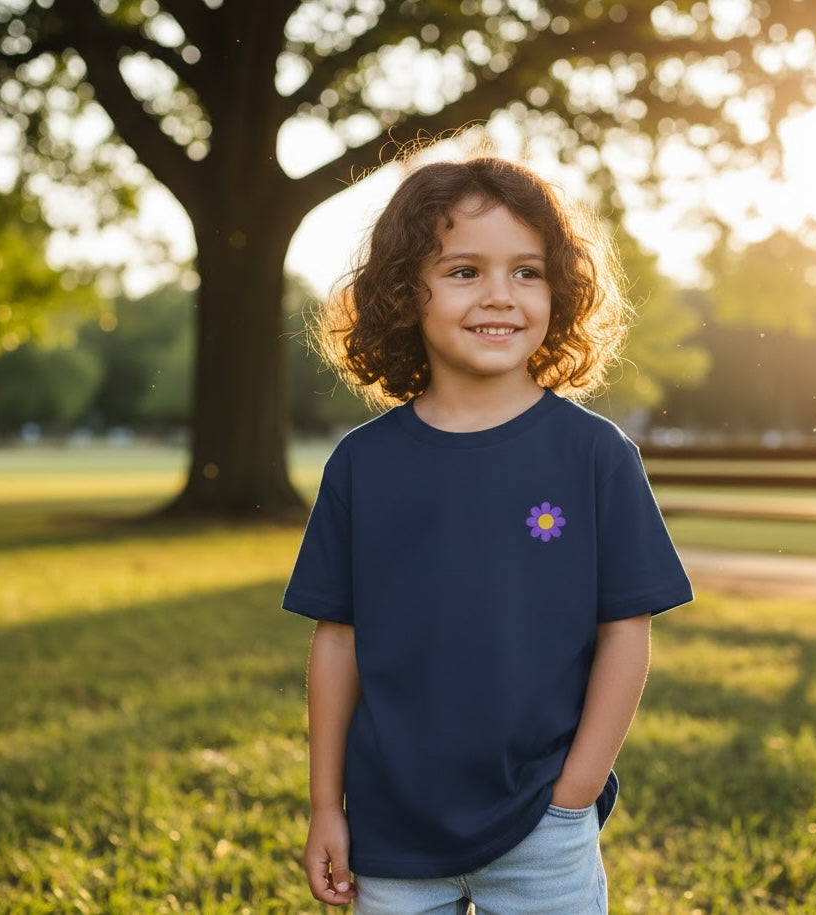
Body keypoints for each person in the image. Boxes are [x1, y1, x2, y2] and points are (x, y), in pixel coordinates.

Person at [283, 154, 693, 915]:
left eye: (527, 272)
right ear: (404, 291)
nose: (500, 295)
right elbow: (337, 641)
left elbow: (626, 633)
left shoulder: (596, 455)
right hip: (389, 829)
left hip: (543, 828)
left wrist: (572, 798)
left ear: (558, 290)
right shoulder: (362, 464)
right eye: (464, 271)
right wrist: (325, 805)